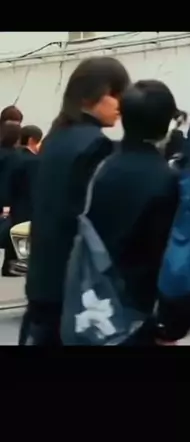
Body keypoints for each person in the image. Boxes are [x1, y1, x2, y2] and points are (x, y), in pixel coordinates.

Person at [20, 57, 130, 346]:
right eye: (114, 93)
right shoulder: (96, 145)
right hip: (76, 283)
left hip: (43, 278)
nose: (120, 103)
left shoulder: (54, 139)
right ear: (88, 95)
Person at [86, 80, 180, 344]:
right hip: (141, 309)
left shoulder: (102, 168)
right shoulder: (166, 179)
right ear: (165, 124)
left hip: (97, 300)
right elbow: (166, 257)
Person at [8, 124, 43, 228]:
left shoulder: (12, 156)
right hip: (26, 209)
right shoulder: (33, 161)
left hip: (12, 206)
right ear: (31, 140)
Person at [0, 121, 22, 276]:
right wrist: (6, 205)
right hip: (6, 199)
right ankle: (9, 266)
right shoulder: (15, 157)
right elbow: (8, 181)